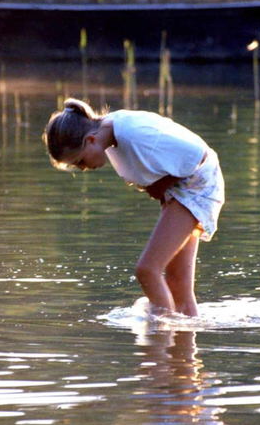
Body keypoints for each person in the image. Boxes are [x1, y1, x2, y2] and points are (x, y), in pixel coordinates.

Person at [43, 98, 224, 317]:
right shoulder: (110, 133)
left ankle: (160, 338)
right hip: (183, 190)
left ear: (91, 140)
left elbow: (196, 154)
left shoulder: (132, 133)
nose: (82, 169)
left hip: (197, 185)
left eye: (79, 161)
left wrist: (163, 185)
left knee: (148, 270)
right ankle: (181, 346)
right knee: (177, 283)